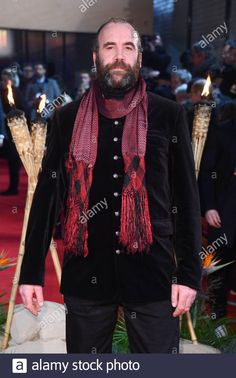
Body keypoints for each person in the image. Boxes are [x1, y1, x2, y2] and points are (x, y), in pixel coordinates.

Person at [19, 17, 201, 354]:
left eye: (128, 47)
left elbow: (187, 200)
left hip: (154, 275)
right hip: (86, 274)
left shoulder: (169, 115)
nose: (119, 55)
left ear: (139, 58)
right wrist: (30, 272)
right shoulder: (67, 118)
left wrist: (190, 276)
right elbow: (47, 198)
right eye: (110, 47)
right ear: (95, 57)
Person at [199, 102, 236, 319]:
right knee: (219, 269)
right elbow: (206, 172)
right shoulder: (222, 132)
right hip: (223, 213)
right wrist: (209, 207)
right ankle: (216, 320)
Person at [0, 69, 26, 195]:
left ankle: (13, 188)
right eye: (1, 80)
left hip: (15, 132)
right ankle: (12, 187)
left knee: (14, 160)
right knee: (11, 159)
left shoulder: (15, 92)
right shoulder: (2, 92)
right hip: (6, 132)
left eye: (5, 80)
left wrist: (8, 116)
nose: (2, 82)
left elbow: (23, 110)